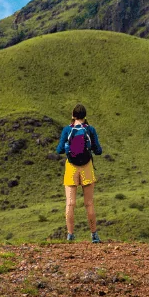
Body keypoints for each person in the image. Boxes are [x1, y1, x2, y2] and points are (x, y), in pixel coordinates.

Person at [56, 104, 104, 243]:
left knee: (70, 203)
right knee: (89, 203)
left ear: (73, 115)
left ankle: (70, 235)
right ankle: (94, 235)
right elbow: (99, 151)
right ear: (85, 116)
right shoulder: (90, 129)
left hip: (71, 167)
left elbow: (59, 150)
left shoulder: (67, 130)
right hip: (87, 167)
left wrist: (67, 147)